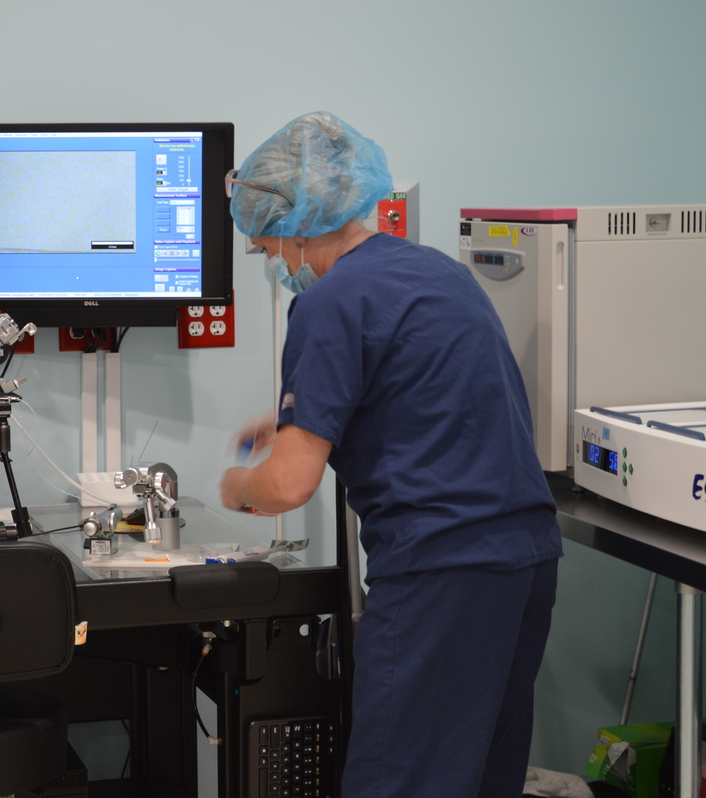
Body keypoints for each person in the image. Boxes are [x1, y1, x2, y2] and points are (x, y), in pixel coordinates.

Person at [218, 112, 563, 798]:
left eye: (265, 251)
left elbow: (286, 488)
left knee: (398, 781)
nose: (274, 265)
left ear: (298, 225)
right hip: (526, 558)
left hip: (441, 570)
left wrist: (235, 487)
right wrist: (309, 416)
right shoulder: (435, 272)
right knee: (482, 777)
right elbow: (432, 393)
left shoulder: (329, 304)